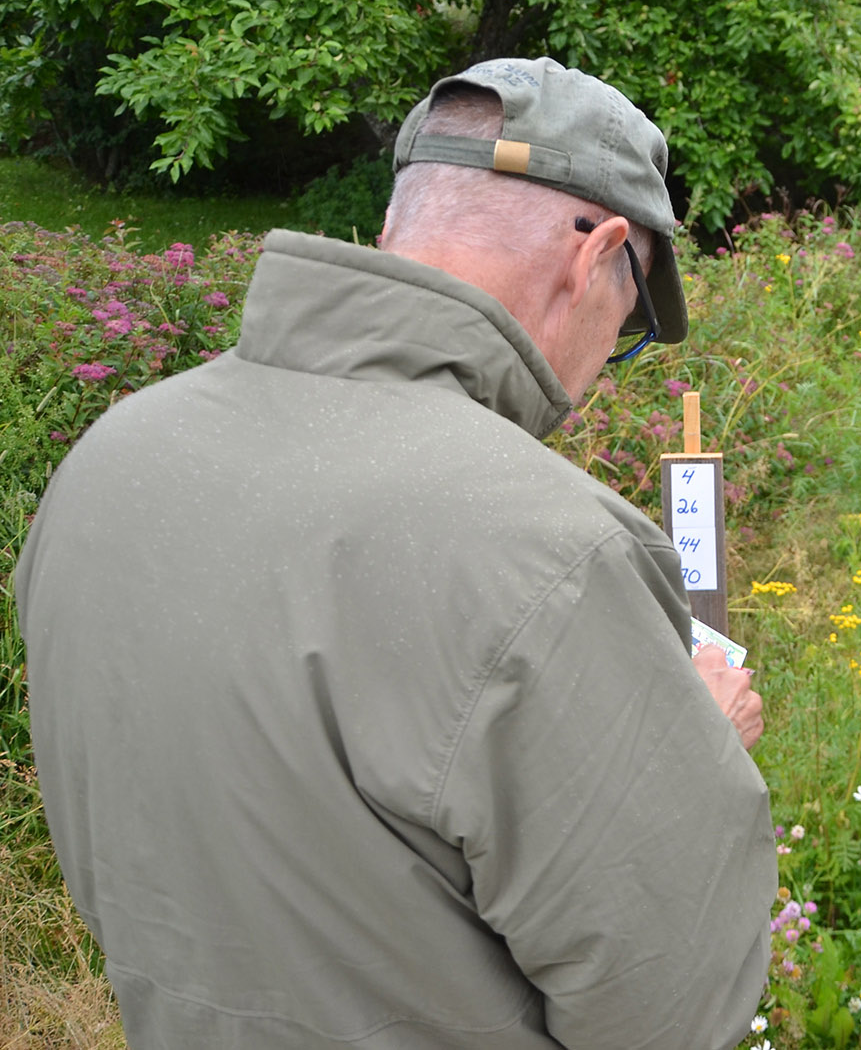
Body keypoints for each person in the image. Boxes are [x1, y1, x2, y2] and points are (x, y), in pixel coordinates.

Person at [16, 58, 776, 1049]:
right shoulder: (553, 552)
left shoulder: (109, 459)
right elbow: (669, 1017)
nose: (600, 372)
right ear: (598, 254)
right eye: (629, 330)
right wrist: (693, 748)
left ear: (392, 232)